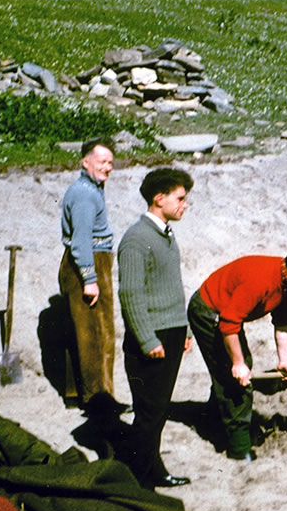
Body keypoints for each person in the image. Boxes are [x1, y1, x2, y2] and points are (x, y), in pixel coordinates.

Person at [187, 243, 287, 460]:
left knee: (238, 367)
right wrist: (237, 364)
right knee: (236, 380)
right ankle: (239, 448)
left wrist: (284, 361)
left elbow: (281, 323)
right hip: (209, 312)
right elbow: (228, 324)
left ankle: (213, 420)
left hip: (227, 315)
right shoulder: (261, 282)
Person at [117, 168, 194, 489]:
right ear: (158, 198)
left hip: (171, 332)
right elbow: (130, 294)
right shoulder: (137, 239)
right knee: (150, 411)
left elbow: (171, 286)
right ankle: (138, 480)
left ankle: (153, 470)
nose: (185, 205)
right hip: (152, 337)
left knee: (158, 410)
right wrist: (147, 339)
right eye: (180, 198)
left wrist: (185, 330)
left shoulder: (164, 234)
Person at [58, 137, 124, 412]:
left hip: (88, 261)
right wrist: (90, 278)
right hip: (89, 262)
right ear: (85, 162)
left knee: (82, 331)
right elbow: (81, 240)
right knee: (98, 333)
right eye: (102, 161)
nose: (107, 167)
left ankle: (79, 394)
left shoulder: (89, 188)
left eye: (110, 162)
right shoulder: (85, 194)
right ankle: (100, 400)